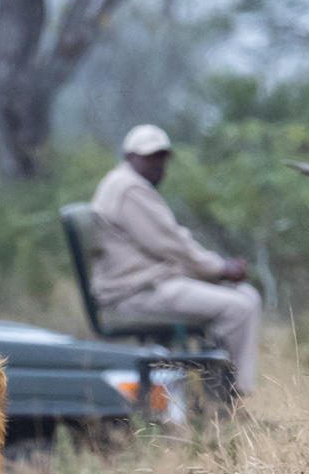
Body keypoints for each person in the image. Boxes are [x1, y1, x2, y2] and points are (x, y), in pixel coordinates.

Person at [89, 124, 261, 395]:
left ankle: (222, 390)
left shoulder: (122, 183)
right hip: (134, 293)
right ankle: (228, 397)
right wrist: (220, 268)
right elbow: (173, 245)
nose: (157, 164)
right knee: (238, 308)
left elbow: (169, 246)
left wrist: (216, 269)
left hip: (146, 285)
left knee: (247, 295)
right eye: (149, 157)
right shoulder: (130, 189)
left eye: (161, 157)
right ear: (129, 156)